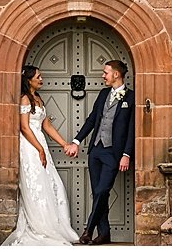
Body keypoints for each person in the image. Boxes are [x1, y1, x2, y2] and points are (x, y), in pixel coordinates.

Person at [4, 65, 82, 246]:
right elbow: (24, 127)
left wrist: (65, 144)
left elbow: (47, 126)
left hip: (40, 144)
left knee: (51, 184)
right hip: (30, 146)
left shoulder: (38, 98)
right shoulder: (24, 100)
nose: (41, 79)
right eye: (38, 76)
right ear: (28, 80)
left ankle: (55, 226)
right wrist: (39, 149)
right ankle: (40, 227)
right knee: (36, 185)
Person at [67, 60, 133, 246]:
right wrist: (76, 141)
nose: (103, 76)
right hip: (96, 151)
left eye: (106, 72)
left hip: (114, 152)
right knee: (98, 193)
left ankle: (89, 230)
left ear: (116, 75)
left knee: (103, 189)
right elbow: (91, 120)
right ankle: (104, 234)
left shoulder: (131, 98)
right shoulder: (104, 94)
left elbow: (131, 130)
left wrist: (126, 154)